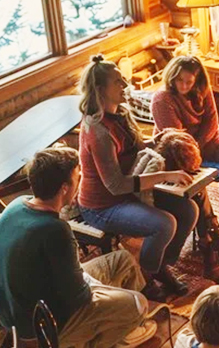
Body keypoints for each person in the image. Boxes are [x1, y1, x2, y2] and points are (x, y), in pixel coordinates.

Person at [0, 146, 161, 348]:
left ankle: (125, 331)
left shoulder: (16, 205)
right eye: (77, 178)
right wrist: (96, 286)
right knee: (138, 303)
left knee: (123, 261)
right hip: (40, 327)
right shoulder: (55, 229)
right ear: (64, 188)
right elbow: (79, 297)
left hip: (15, 313)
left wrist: (88, 282)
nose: (79, 183)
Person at [78, 54, 197, 299]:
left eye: (123, 80)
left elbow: (139, 149)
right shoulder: (97, 131)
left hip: (128, 192)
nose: (125, 86)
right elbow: (115, 185)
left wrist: (164, 138)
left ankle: (159, 266)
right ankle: (145, 278)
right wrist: (167, 175)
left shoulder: (120, 113)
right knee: (164, 223)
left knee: (189, 211)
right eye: (118, 82)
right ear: (100, 89)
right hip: (102, 205)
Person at [151, 55, 219, 244]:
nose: (184, 86)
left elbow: (212, 121)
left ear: (197, 80)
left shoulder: (203, 89)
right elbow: (177, 139)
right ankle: (207, 229)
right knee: (196, 177)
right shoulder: (162, 99)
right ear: (172, 77)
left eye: (189, 82)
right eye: (179, 81)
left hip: (207, 142)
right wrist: (193, 153)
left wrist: (199, 147)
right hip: (178, 151)